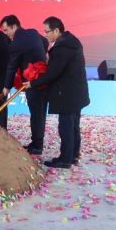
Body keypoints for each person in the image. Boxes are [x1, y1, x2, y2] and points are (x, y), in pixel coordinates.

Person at [25, 16, 89, 169]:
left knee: (66, 127)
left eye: (47, 31)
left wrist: (32, 83)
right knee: (73, 125)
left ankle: (65, 159)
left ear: (56, 30)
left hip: (67, 93)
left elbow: (52, 73)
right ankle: (73, 155)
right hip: (76, 92)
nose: (45, 35)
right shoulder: (71, 41)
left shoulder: (63, 47)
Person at [1, 14, 48, 154]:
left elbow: (12, 66)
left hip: (31, 81)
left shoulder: (16, 44)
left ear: (14, 26)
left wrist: (7, 86)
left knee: (36, 113)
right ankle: (37, 142)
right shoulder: (33, 32)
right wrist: (41, 57)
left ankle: (37, 146)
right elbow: (45, 42)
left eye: (6, 30)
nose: (6, 33)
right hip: (44, 77)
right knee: (40, 112)